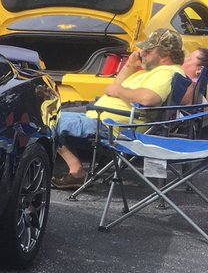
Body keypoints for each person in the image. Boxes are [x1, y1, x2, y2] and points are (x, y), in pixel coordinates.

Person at [51, 28, 185, 188]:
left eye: (149, 50)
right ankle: (76, 171)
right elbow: (113, 87)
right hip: (104, 117)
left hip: (114, 127)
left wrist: (118, 92)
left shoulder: (166, 73)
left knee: (48, 119)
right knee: (56, 112)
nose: (142, 52)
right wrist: (129, 65)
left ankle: (77, 171)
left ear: (165, 53)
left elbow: (148, 99)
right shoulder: (154, 71)